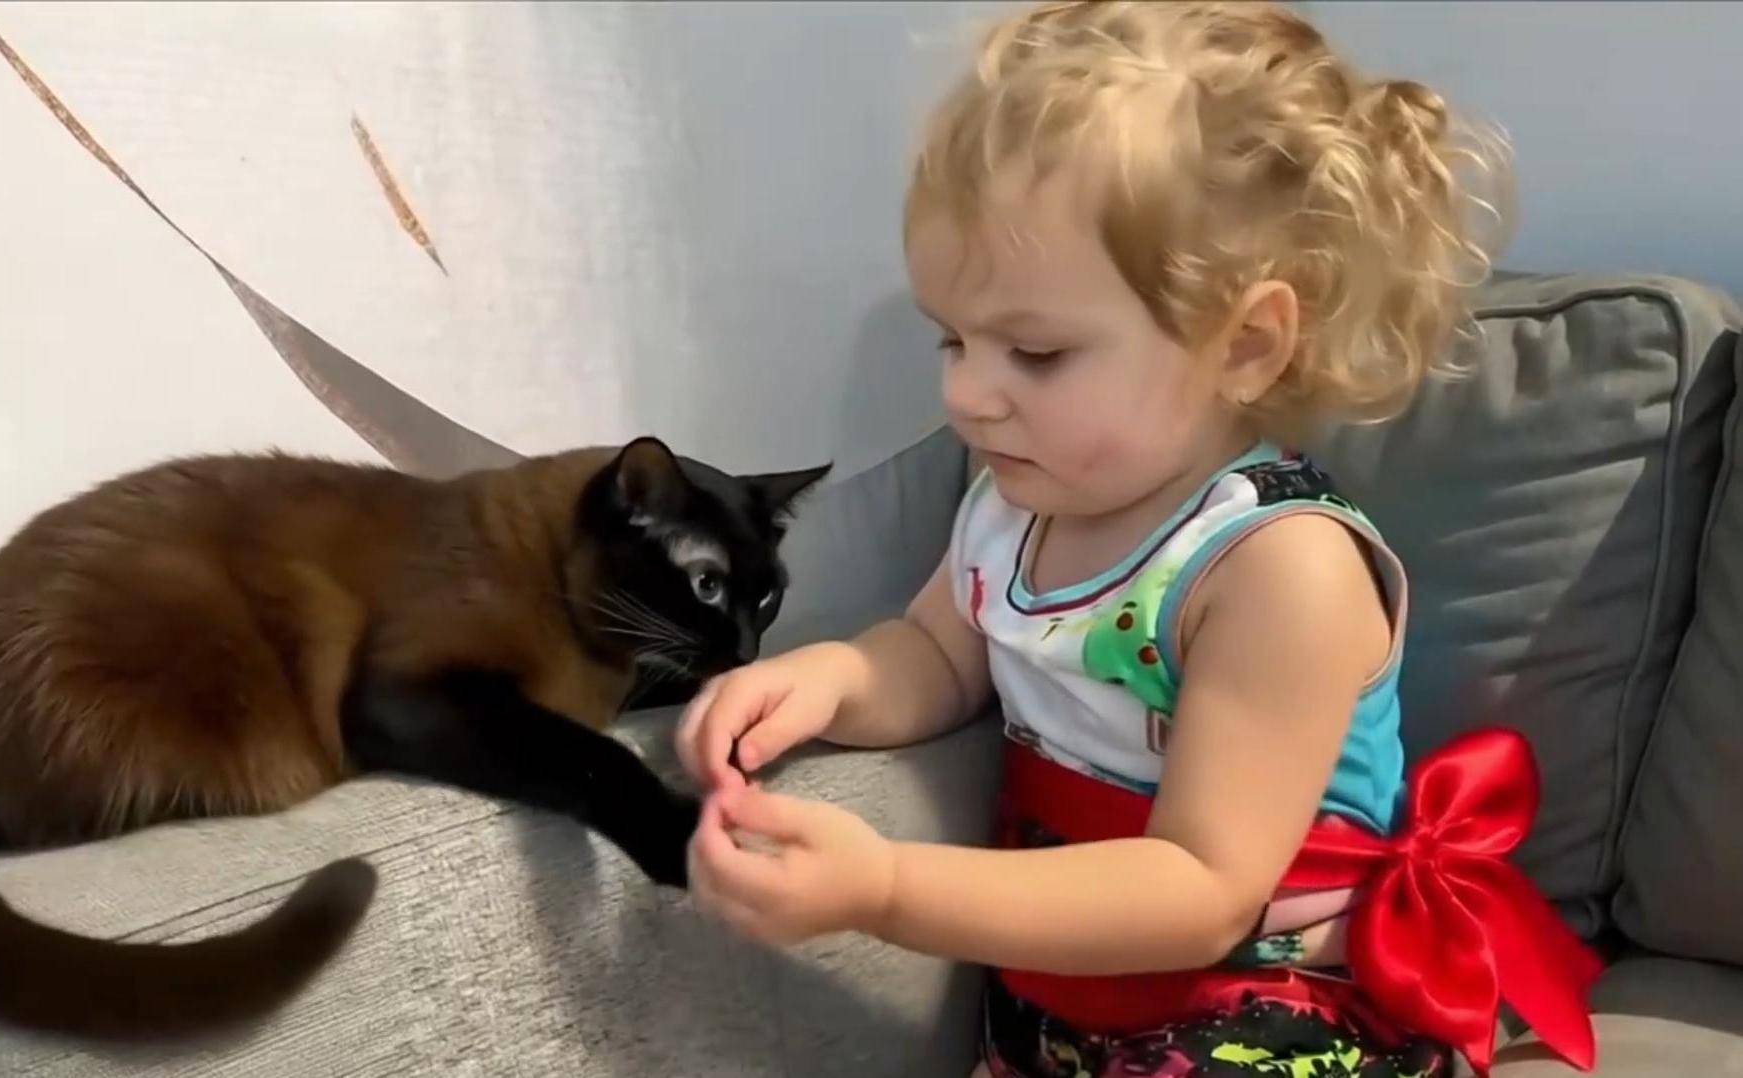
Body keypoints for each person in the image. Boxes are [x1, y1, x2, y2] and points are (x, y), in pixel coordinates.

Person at [677, 3, 1599, 1075]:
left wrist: (885, 888)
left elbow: (1200, 889)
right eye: (952, 339)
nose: (966, 394)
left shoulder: (1277, 570)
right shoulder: (1013, 501)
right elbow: (935, 654)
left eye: (1034, 353)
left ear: (1243, 345)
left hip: (1267, 1008)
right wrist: (829, 678)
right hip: (1065, 994)